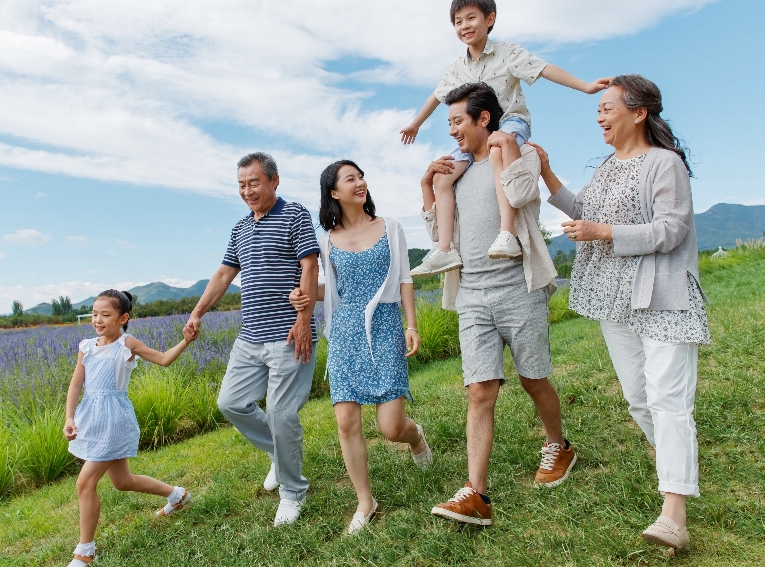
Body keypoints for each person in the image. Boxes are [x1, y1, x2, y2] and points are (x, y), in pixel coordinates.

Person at [533, 74, 709, 551]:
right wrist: (547, 172)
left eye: (607, 108)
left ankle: (674, 512)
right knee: (638, 397)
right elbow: (583, 207)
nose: (599, 116)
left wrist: (606, 232)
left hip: (665, 295)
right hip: (616, 299)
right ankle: (676, 463)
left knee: (669, 401)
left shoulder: (664, 163)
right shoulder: (608, 167)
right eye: (599, 110)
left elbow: (671, 229)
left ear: (639, 113)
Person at [420, 82, 576, 528]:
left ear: (483, 119)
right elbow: (438, 237)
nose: (452, 132)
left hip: (518, 289)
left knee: (533, 378)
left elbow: (526, 192)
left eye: (457, 121)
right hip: (472, 295)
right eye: (448, 122)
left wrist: (502, 151)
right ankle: (476, 492)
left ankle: (558, 446)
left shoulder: (514, 154)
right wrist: (429, 186)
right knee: (479, 391)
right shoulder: (457, 172)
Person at [405, 0, 610, 275]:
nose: (464, 26)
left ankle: (507, 234)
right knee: (441, 174)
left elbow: (544, 69)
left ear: (490, 19)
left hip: (510, 122)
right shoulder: (457, 67)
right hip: (476, 132)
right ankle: (445, 249)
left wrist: (586, 86)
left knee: (499, 146)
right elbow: (438, 95)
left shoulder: (507, 53)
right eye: (458, 21)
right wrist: (416, 123)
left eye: (471, 18)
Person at [289, 159, 430, 535]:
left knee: (391, 427)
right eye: (350, 178)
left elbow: (404, 280)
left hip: (385, 327)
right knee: (346, 420)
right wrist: (305, 298)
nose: (360, 182)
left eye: (361, 176)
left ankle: (415, 438)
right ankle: (365, 502)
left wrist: (411, 325)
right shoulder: (326, 241)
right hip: (346, 332)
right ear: (334, 192)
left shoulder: (390, 227)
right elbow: (329, 292)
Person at [183, 152, 320, 527]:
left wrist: (304, 319)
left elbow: (310, 265)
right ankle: (280, 454)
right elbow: (225, 274)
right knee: (230, 402)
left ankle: (293, 491)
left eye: (254, 183)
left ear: (275, 181)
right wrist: (197, 312)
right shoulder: (240, 228)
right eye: (241, 185)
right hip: (250, 337)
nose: (247, 191)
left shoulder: (295, 215)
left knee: (281, 412)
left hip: (289, 334)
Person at [64, 290, 194, 567]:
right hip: (91, 419)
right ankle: (178, 495)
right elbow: (76, 384)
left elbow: (163, 359)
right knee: (122, 482)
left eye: (105, 314)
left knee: (85, 483)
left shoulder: (126, 344)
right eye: (94, 314)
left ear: (123, 318)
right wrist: (69, 418)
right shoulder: (86, 346)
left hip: (114, 421)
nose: (98, 320)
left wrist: (185, 341)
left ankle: (85, 551)